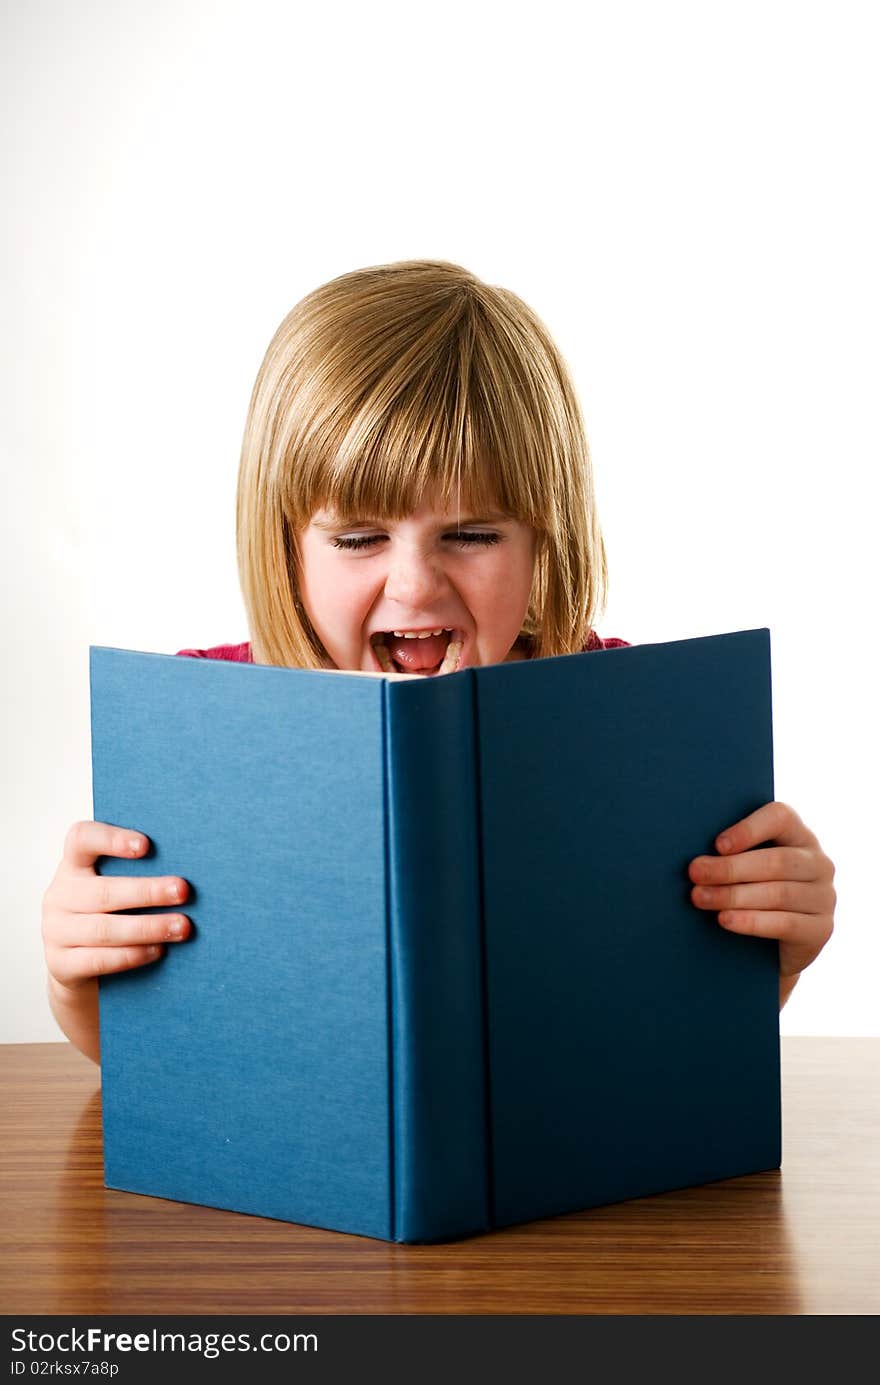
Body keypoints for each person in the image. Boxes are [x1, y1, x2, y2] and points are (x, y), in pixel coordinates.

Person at [41, 260, 836, 1065]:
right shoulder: (207, 720)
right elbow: (150, 1058)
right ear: (285, 545)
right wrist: (79, 978)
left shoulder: (631, 717)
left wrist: (774, 944)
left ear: (540, 541)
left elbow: (681, 1040)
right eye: (358, 539)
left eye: (473, 534)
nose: (415, 585)